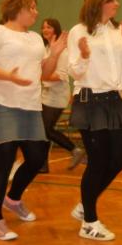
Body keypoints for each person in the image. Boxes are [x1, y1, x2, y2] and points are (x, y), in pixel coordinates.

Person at [0, 0, 67, 241]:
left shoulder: (35, 38)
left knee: (37, 158)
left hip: (30, 105)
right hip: (2, 103)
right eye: (32, 8)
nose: (36, 12)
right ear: (18, 9)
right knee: (3, 161)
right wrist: (9, 76)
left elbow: (44, 73)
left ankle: (13, 199)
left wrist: (55, 54)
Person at [67, 0, 122, 241]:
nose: (117, 4)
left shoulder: (118, 31)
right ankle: (89, 223)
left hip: (114, 100)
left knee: (117, 161)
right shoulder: (78, 31)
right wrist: (85, 56)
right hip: (90, 99)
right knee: (97, 162)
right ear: (98, 3)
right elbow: (74, 71)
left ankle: (85, 204)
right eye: (112, 0)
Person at [40, 18, 84, 172]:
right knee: (43, 130)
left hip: (58, 95)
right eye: (43, 27)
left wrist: (40, 76)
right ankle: (43, 165)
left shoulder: (63, 51)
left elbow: (61, 75)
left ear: (56, 29)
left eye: (49, 27)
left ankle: (74, 149)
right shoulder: (45, 48)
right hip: (45, 94)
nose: (45, 30)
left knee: (46, 129)